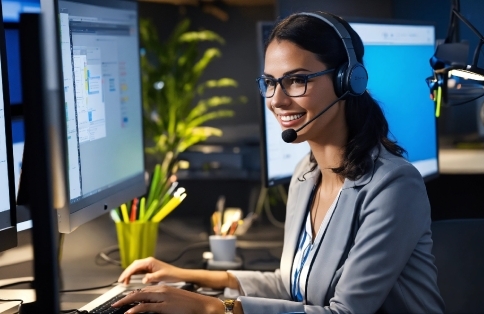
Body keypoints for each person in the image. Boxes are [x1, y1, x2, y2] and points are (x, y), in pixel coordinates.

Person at [113, 11, 445, 314]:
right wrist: (188, 277)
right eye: (270, 83)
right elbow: (292, 286)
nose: (277, 100)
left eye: (297, 80)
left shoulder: (393, 186)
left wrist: (214, 309)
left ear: (348, 81)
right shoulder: (307, 173)